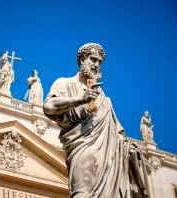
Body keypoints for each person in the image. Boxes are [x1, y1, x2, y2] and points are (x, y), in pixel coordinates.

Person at [43, 43, 150, 198]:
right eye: (93, 59)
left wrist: (128, 148)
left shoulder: (104, 99)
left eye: (100, 62)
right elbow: (48, 107)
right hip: (82, 148)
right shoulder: (64, 83)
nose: (96, 65)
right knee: (82, 193)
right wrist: (81, 99)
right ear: (81, 60)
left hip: (108, 157)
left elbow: (117, 132)